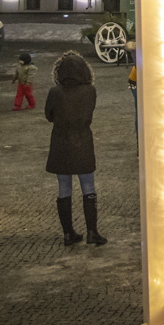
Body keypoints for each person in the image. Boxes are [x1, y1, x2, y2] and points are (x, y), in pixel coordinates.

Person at [45, 50, 105, 245]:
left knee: (64, 188)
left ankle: (68, 232)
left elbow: (49, 115)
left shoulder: (55, 92)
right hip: (83, 141)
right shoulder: (90, 91)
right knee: (88, 187)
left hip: (60, 142)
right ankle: (92, 231)